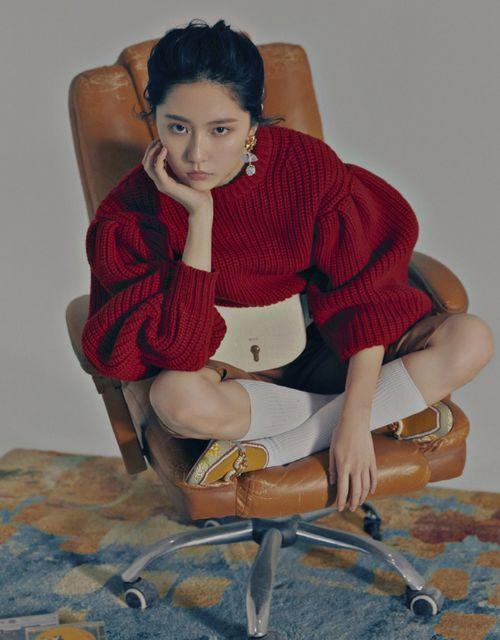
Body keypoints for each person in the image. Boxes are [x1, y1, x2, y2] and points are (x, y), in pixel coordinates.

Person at [82, 18, 494, 512]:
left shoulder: (306, 168)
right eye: (177, 127)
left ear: (252, 124)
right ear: (155, 120)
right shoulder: (131, 213)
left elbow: (362, 299)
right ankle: (394, 411)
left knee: (470, 337)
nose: (196, 154)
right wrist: (199, 218)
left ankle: (281, 447)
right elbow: (182, 351)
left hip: (322, 350)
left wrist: (354, 423)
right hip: (230, 379)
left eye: (221, 130)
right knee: (175, 400)